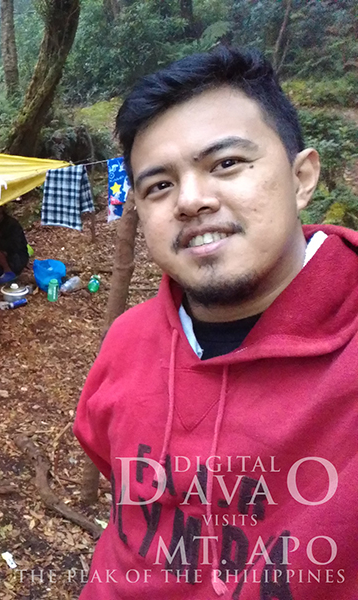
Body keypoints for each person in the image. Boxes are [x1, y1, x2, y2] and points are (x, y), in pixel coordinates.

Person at [73, 47, 357, 599]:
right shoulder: (127, 342)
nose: (192, 200)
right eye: (160, 185)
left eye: (226, 164)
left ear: (303, 177)